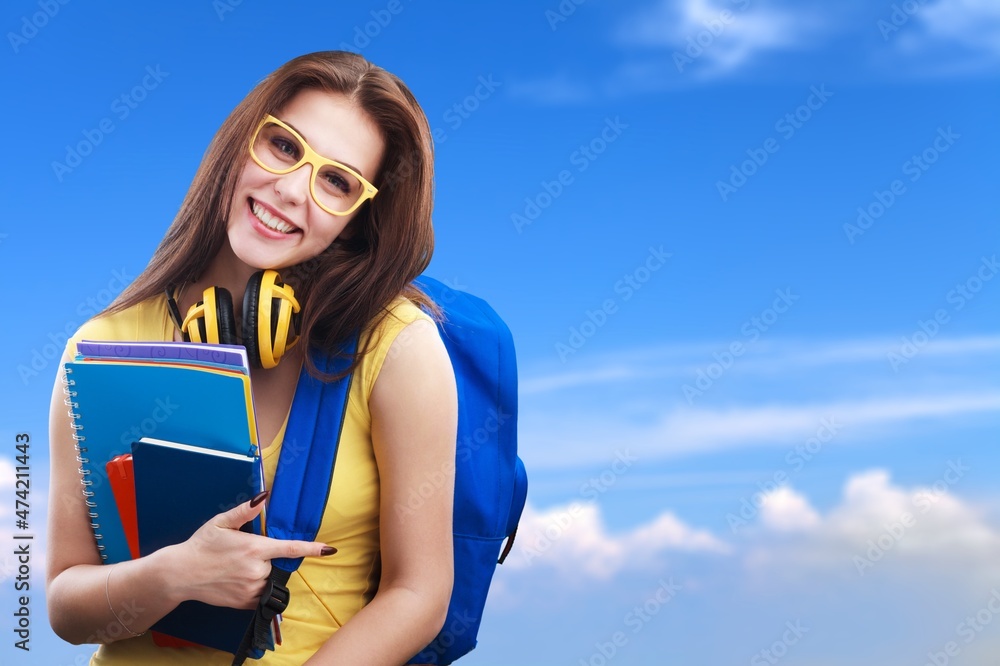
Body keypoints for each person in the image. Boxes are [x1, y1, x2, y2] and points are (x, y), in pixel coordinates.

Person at [46, 51, 458, 665]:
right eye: (285, 147)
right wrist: (172, 576)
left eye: (337, 181)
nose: (291, 190)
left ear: (356, 221)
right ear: (243, 141)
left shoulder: (395, 345)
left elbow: (419, 593)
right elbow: (63, 604)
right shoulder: (100, 348)